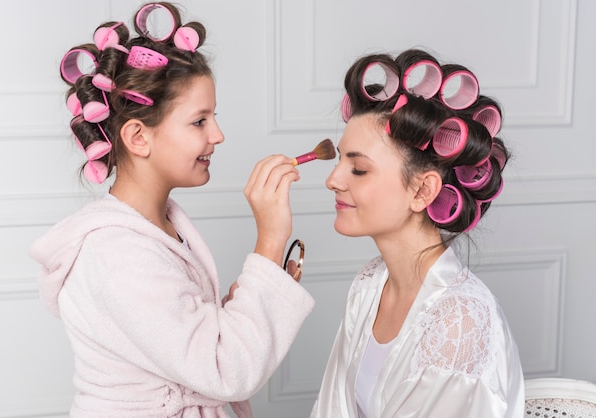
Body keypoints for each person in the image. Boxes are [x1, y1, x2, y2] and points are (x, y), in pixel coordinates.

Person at [29, 2, 314, 417]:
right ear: (138, 137)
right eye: (199, 121)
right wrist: (270, 240)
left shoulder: (159, 226)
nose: (218, 134)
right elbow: (226, 370)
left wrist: (234, 311)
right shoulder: (116, 254)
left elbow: (187, 343)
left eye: (213, 117)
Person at [310, 49, 524, 417]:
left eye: (358, 169)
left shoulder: (459, 322)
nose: (333, 180)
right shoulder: (370, 285)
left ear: (423, 191)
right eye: (340, 160)